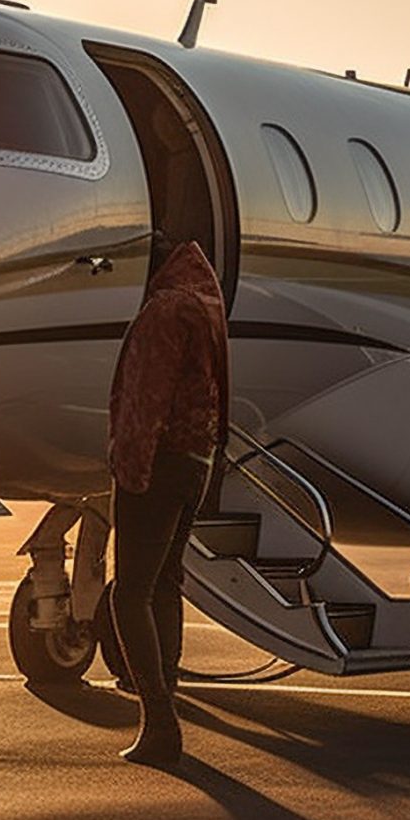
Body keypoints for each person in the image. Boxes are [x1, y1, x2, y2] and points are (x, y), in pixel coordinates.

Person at [106, 237, 229, 768]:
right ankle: (166, 710)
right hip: (195, 461)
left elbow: (145, 398)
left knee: (128, 593)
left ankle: (158, 721)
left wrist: (129, 468)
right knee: (165, 584)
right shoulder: (206, 305)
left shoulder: (164, 311)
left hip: (158, 465)